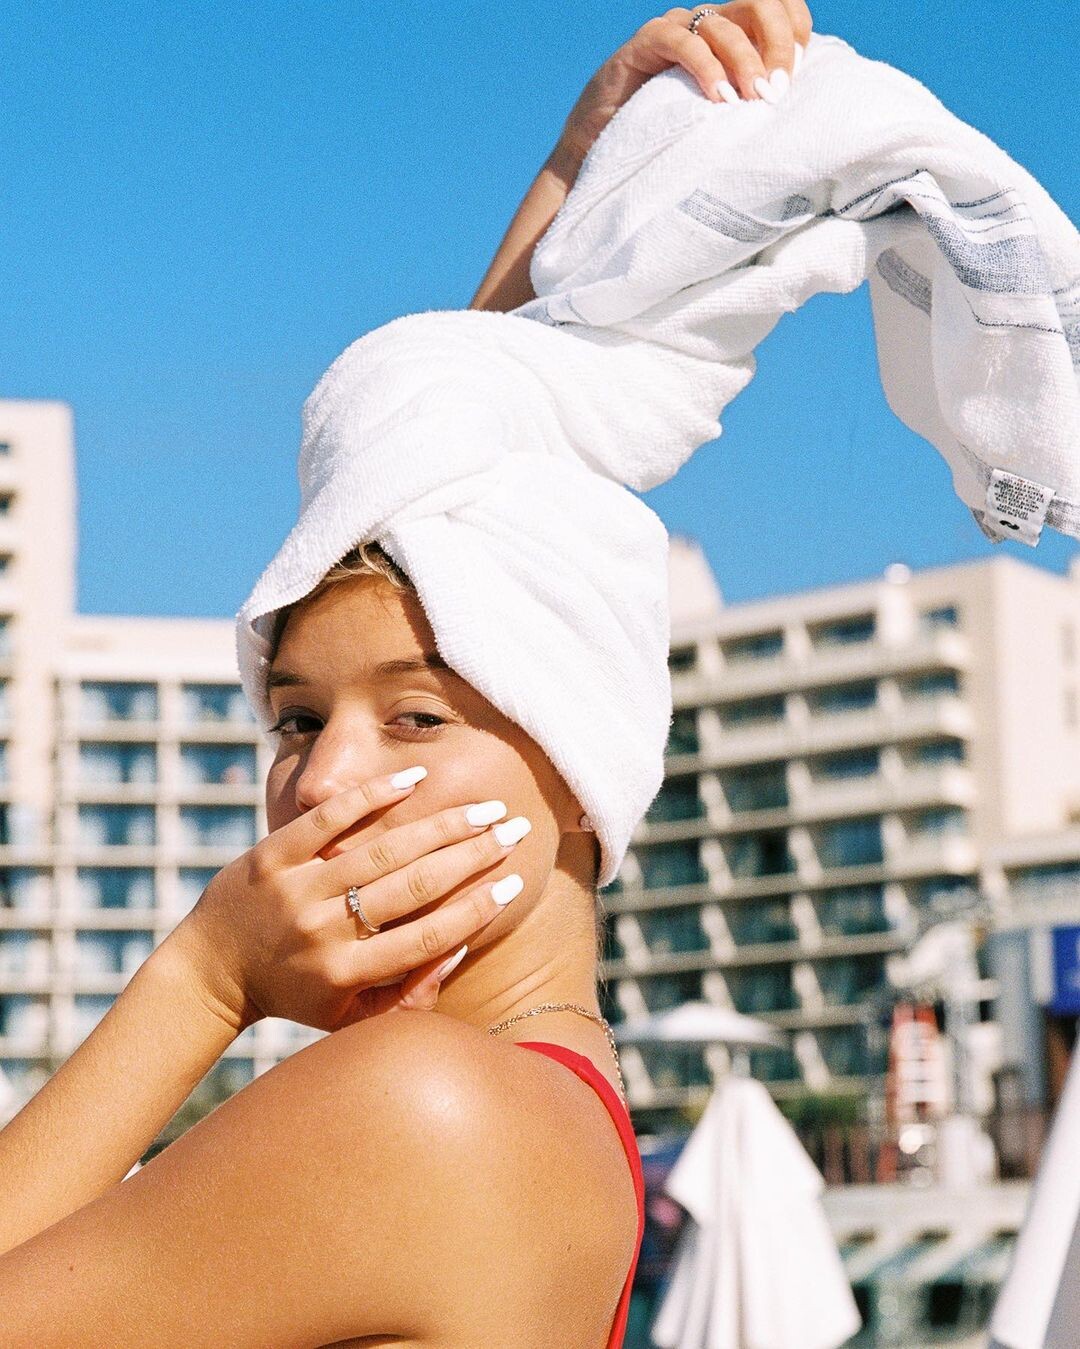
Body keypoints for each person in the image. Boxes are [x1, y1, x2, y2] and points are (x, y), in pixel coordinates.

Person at [0, 5, 812, 1344]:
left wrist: (206, 974)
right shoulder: (545, 1109)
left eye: (416, 715)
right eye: (294, 718)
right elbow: (444, 467)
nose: (323, 779)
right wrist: (576, 175)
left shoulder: (421, 1106)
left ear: (577, 758)